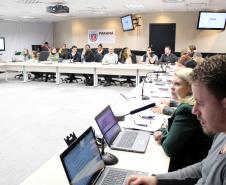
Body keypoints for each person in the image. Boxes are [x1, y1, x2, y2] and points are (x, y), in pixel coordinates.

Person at [126, 55, 226, 185]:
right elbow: (203, 168)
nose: (194, 110)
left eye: (200, 103)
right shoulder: (222, 134)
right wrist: (156, 180)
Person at [153, 68, 212, 171]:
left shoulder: (187, 110)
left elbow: (169, 148)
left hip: (187, 167)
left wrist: (162, 134)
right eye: (171, 83)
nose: (171, 87)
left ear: (191, 88)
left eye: (177, 84)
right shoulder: (192, 103)